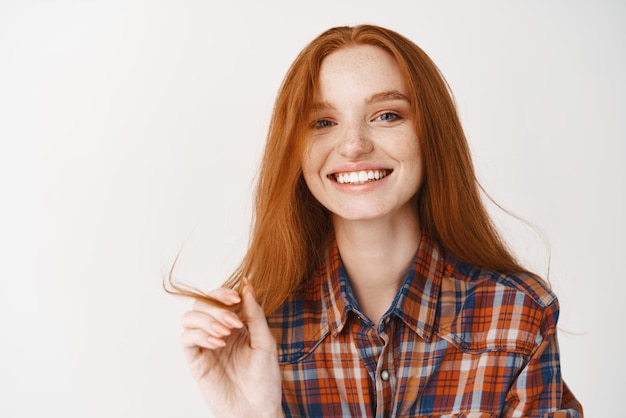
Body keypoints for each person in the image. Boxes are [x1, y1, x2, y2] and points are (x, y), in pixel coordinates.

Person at [169, 24, 583, 417]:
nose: (353, 145)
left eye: (387, 115)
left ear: (430, 132)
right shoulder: (256, 332)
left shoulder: (517, 311)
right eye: (323, 122)